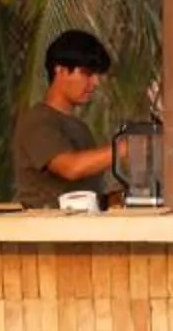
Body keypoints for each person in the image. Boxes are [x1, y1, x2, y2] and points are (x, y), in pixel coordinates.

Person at [13, 30, 119, 206]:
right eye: (87, 73)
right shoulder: (37, 121)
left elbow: (86, 193)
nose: (95, 82)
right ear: (60, 70)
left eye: (97, 75)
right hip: (47, 230)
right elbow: (71, 168)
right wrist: (125, 149)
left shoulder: (80, 128)